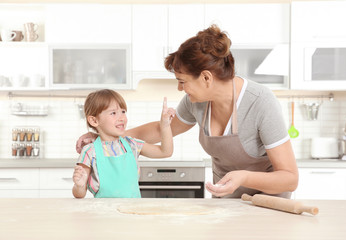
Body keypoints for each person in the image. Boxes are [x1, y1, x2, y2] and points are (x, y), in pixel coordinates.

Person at [76, 25, 298, 198]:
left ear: (206, 78)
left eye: (182, 81)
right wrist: (107, 137)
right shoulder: (196, 102)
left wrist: (244, 177)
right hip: (227, 200)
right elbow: (160, 129)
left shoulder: (260, 103)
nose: (179, 88)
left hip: (267, 204)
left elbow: (289, 178)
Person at [72, 89, 175, 198]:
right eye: (113, 113)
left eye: (123, 112)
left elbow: (165, 152)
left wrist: (165, 125)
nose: (121, 118)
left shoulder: (132, 144)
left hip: (132, 212)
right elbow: (79, 194)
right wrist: (79, 186)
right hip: (104, 213)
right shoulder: (90, 151)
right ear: (94, 121)